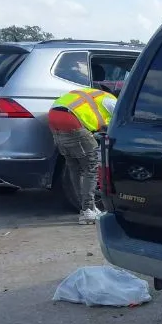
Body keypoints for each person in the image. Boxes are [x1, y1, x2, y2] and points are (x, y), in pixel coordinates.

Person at [47, 88, 117, 224]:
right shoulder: (113, 102)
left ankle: (87, 208)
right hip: (71, 120)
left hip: (53, 118)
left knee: (74, 167)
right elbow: (118, 124)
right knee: (91, 168)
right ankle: (87, 210)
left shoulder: (94, 94)